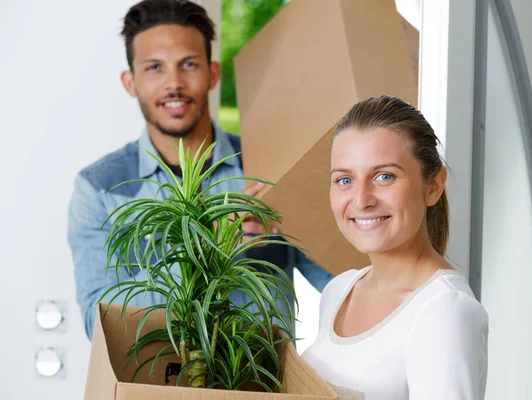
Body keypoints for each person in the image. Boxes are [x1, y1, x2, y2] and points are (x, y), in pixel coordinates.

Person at [68, 0, 332, 340]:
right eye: (154, 68)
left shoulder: (269, 165)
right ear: (130, 82)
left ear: (212, 73)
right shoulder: (98, 188)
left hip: (262, 386)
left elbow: (343, 281)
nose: (173, 83)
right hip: (158, 388)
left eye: (188, 64)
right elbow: (99, 324)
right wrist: (208, 251)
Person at [302, 95, 488, 399]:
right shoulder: (339, 291)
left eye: (384, 176)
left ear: (433, 186)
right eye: (345, 180)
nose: (362, 200)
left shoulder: (444, 311)